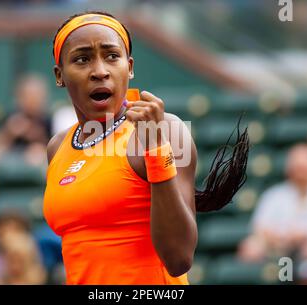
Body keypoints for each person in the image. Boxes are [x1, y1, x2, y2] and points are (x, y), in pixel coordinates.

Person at [43, 11, 249, 285]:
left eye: (112, 56)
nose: (100, 71)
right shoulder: (57, 147)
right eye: (82, 59)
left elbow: (179, 258)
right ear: (60, 75)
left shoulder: (167, 129)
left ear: (129, 67)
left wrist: (155, 150)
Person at [238, 144, 307, 262]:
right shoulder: (274, 194)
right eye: (297, 168)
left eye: (304, 168)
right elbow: (259, 226)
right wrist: (281, 237)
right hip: (279, 245)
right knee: (251, 247)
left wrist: (305, 234)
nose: (300, 173)